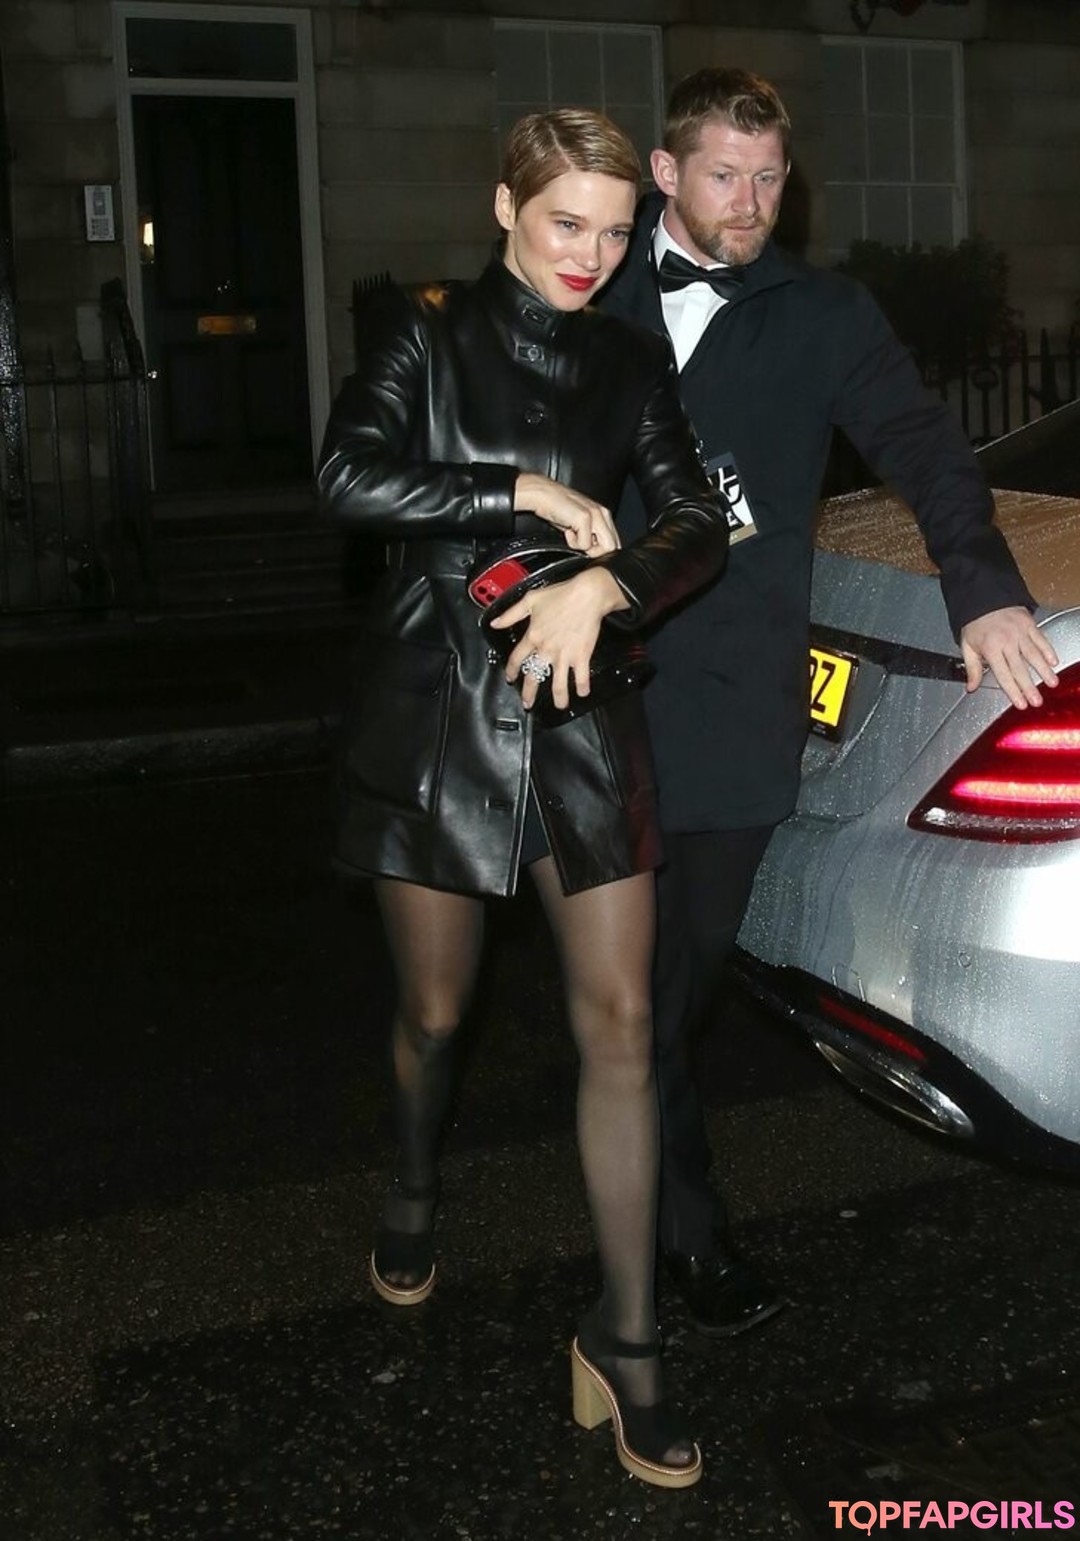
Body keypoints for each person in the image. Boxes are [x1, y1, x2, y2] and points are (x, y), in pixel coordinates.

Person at [600, 67, 1060, 1341]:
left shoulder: (824, 314)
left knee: (676, 985)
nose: (751, 204)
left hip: (733, 703)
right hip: (589, 698)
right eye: (724, 176)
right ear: (664, 173)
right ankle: (679, 1233)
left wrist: (983, 591)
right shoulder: (586, 281)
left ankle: (644, 1194)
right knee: (622, 994)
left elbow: (928, 451)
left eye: (770, 179)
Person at [317, 109, 731, 1489]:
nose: (591, 256)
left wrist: (613, 581)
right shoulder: (420, 329)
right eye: (566, 223)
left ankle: (628, 1340)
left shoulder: (631, 356)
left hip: (582, 707)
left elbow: (696, 518)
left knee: (622, 1023)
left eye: (614, 233)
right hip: (437, 713)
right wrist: (523, 491)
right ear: (506, 206)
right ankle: (413, 1177)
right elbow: (346, 477)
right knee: (436, 1013)